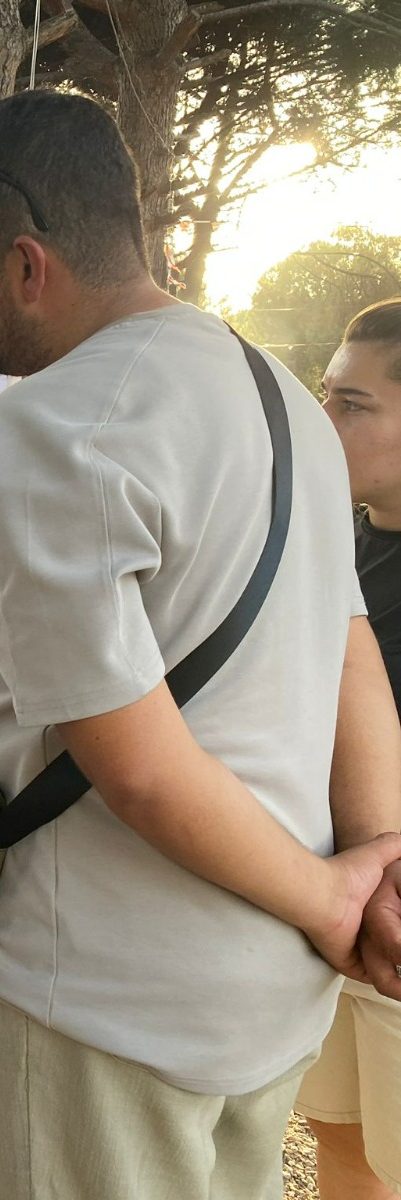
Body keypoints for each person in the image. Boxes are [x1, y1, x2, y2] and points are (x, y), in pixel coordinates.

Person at [0, 91, 401, 1199]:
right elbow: (345, 645)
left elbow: (129, 757)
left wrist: (341, 899)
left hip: (105, 1002)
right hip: (265, 992)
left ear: (28, 265)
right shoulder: (283, 398)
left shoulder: (53, 425)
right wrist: (374, 860)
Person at [298, 297, 401, 1200]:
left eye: (353, 404)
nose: (323, 420)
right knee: (343, 1138)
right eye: (326, 395)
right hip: (337, 912)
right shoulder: (337, 543)